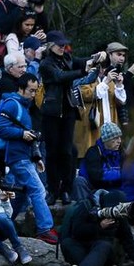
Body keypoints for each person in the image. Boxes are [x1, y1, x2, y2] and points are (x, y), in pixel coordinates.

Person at [0, 74, 58, 244]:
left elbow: (27, 134)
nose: (33, 95)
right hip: (17, 157)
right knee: (38, 190)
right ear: (21, 88)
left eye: (35, 91)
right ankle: (45, 229)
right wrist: (21, 133)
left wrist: (36, 157)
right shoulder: (13, 104)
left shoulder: (23, 106)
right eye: (31, 91)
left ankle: (2, 227)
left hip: (23, 156)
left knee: (20, 194)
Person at [37, 30, 90, 205]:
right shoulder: (45, 64)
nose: (62, 47)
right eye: (59, 44)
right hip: (52, 112)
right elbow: (60, 77)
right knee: (52, 152)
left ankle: (66, 189)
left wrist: (96, 58)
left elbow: (80, 61)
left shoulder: (67, 58)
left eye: (63, 44)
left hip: (68, 110)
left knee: (67, 151)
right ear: (50, 45)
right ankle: (52, 189)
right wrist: (83, 71)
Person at [61, 191, 134, 266]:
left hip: (102, 253)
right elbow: (77, 231)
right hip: (82, 247)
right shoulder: (86, 206)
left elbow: (126, 236)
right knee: (67, 243)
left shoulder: (119, 213)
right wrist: (99, 226)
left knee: (104, 245)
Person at [75, 120, 126, 201]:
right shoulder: (93, 152)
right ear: (106, 139)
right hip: (93, 190)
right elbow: (96, 176)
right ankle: (84, 207)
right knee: (78, 181)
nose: (119, 141)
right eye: (116, 138)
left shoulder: (122, 153)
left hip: (116, 191)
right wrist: (122, 173)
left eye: (120, 137)